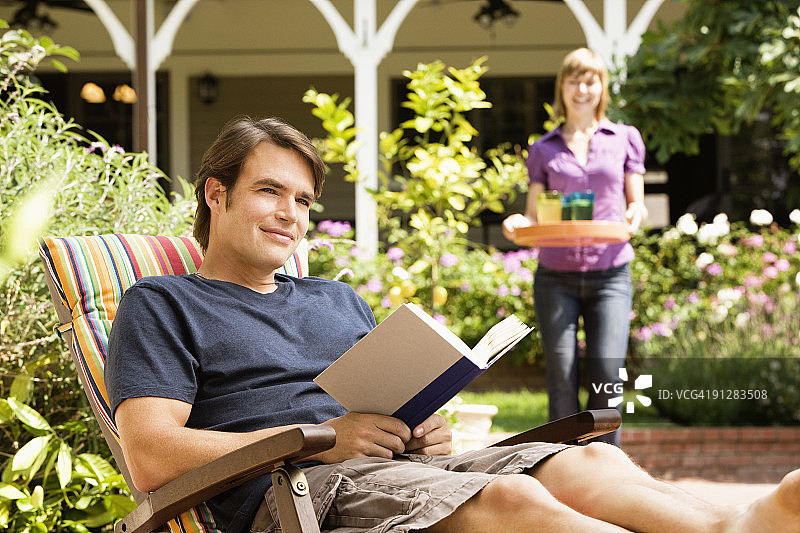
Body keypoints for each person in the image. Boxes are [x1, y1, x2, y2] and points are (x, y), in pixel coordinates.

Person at [106, 115, 800, 533]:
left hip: (399, 468)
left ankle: (732, 524)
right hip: (299, 493)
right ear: (216, 193)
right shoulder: (163, 303)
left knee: (587, 458)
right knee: (511, 497)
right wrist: (323, 439)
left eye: (302, 200)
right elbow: (151, 455)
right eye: (269, 191)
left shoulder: (335, 298)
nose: (291, 214)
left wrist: (423, 424)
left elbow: (380, 402)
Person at [502, 48, 648, 446]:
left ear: (601, 87)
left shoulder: (624, 140)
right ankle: (562, 467)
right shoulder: (544, 148)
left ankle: (607, 474)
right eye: (574, 80)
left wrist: (635, 215)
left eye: (590, 80)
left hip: (611, 274)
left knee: (605, 380)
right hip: (556, 278)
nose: (582, 89)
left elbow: (636, 203)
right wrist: (519, 224)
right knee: (561, 379)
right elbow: (534, 217)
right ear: (562, 87)